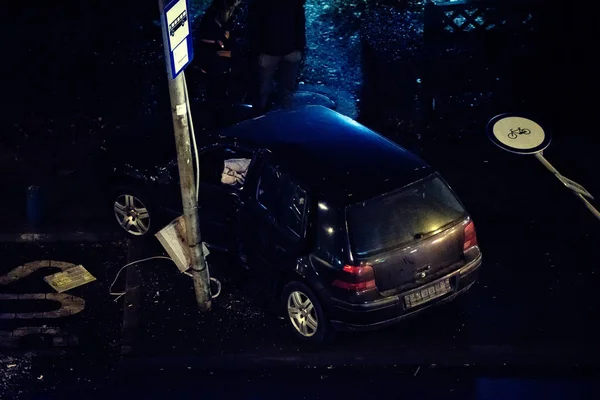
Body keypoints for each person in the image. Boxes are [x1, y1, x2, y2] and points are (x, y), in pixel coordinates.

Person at [249, 0, 306, 113]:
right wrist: (300, 48)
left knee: (263, 90)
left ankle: (261, 119)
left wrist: (256, 51)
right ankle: (283, 119)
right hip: (289, 50)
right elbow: (300, 25)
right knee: (286, 91)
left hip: (269, 51)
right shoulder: (295, 3)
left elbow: (254, 27)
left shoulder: (259, 4)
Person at [197, 0, 242, 107]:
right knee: (215, 92)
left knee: (221, 90)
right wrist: (219, 41)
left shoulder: (232, 15)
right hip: (214, 62)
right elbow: (204, 37)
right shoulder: (213, 15)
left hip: (224, 62)